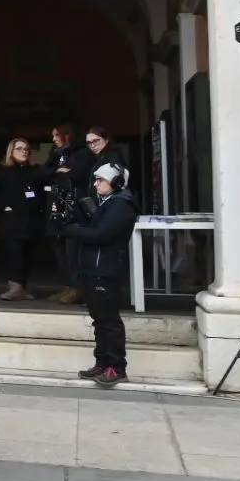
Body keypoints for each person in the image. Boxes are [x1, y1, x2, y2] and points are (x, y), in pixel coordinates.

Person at [62, 162, 139, 388]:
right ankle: (102, 362)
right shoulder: (108, 203)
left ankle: (116, 366)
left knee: (109, 320)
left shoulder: (121, 205)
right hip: (95, 269)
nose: (95, 183)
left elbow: (102, 234)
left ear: (115, 183)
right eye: (95, 179)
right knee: (99, 319)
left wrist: (72, 230)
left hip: (106, 270)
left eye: (100, 180)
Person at [0, 138, 48, 302]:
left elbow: (45, 190)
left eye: (26, 149)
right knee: (14, 255)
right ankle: (14, 287)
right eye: (19, 148)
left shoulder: (36, 171)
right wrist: (3, 208)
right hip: (12, 222)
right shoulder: (1, 172)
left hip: (32, 221)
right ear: (11, 152)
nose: (24, 151)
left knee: (28, 255)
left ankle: (22, 287)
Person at [46, 124, 95, 305]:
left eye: (57, 135)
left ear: (67, 135)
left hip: (74, 209)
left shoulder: (82, 153)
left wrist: (67, 173)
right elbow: (44, 173)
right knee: (59, 249)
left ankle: (77, 288)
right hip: (56, 207)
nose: (54, 139)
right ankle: (67, 285)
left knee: (73, 250)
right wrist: (58, 171)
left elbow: (80, 175)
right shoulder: (56, 154)